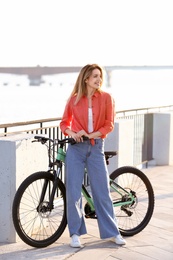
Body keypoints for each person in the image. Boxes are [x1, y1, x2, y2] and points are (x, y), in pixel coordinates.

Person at [60, 64, 126, 248]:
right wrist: (72, 132)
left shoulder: (106, 98)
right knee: (73, 193)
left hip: (96, 148)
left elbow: (109, 125)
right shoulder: (73, 99)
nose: (98, 80)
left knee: (102, 192)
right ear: (86, 79)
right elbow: (64, 123)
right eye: (95, 76)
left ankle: (113, 233)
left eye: (100, 76)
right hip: (76, 150)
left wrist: (93, 135)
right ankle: (75, 234)